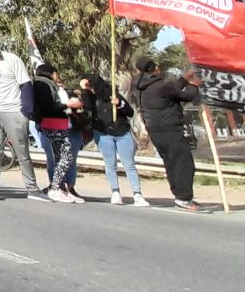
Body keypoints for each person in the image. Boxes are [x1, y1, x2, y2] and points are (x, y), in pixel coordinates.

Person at [0, 35, 50, 202]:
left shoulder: (12, 60)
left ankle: (32, 188)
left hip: (13, 111)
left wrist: (26, 110)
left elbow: (25, 84)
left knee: (22, 150)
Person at [135, 58, 210, 213]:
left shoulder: (143, 87)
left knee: (171, 163)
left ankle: (180, 196)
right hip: (169, 128)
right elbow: (185, 96)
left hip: (155, 130)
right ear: (155, 69)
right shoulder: (161, 85)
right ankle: (184, 198)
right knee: (184, 163)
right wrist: (194, 85)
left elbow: (171, 91)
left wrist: (184, 78)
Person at [80, 73, 148, 206]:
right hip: (103, 133)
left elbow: (130, 112)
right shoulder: (90, 97)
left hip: (122, 132)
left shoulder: (112, 94)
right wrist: (84, 90)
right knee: (110, 164)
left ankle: (137, 194)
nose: (89, 88)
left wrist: (120, 104)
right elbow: (87, 107)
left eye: (89, 85)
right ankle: (115, 192)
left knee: (129, 164)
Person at [31, 63, 82, 203]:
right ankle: (55, 188)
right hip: (53, 123)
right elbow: (48, 107)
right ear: (51, 73)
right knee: (66, 157)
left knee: (61, 157)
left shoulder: (42, 85)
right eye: (55, 73)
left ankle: (58, 188)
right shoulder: (43, 86)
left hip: (55, 123)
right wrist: (67, 105)